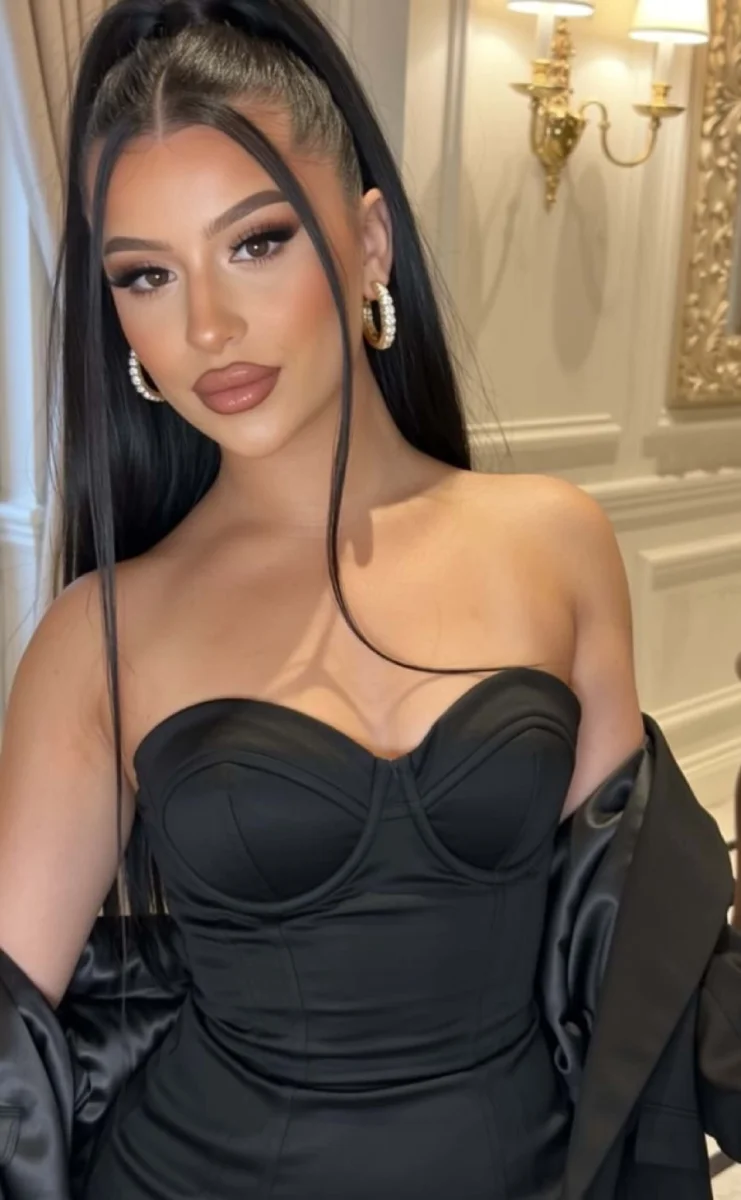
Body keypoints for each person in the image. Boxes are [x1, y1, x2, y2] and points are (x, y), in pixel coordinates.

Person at [0, 2, 739, 1199]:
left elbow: (634, 943)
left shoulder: (554, 543)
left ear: (371, 241)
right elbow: (9, 1046)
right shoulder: (100, 636)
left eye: (256, 243)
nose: (205, 326)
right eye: (146, 274)